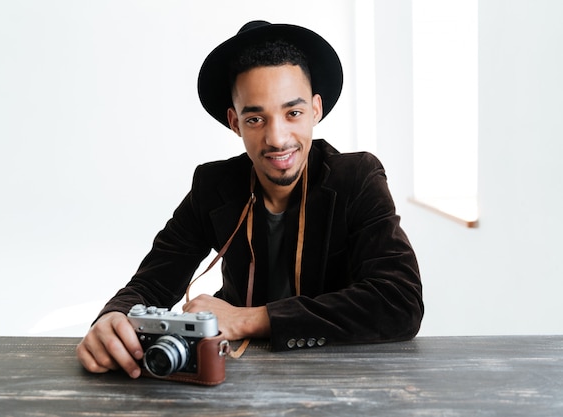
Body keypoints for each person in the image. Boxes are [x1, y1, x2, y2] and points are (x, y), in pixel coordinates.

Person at [76, 20, 424, 379]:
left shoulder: (357, 177)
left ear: (316, 109)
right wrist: (113, 317)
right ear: (234, 121)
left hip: (344, 372)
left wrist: (249, 318)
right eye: (255, 118)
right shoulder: (213, 185)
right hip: (237, 371)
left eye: (293, 113)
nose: (277, 138)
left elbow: (399, 301)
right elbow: (153, 282)